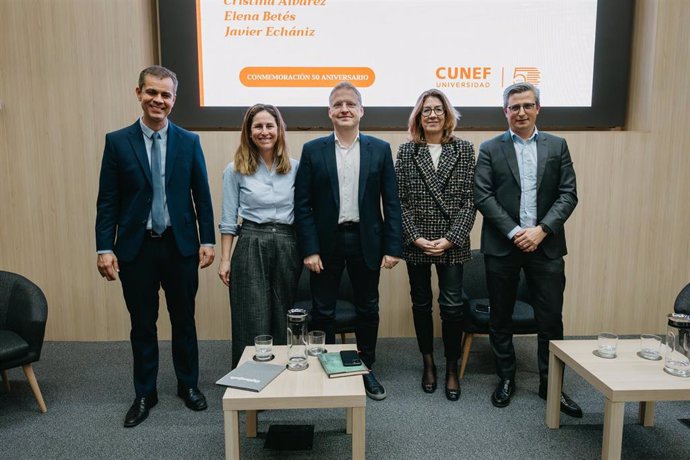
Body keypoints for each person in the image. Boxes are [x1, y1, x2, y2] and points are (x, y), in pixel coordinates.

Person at [95, 65, 215, 428]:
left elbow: (202, 196)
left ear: (173, 100)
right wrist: (104, 247)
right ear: (138, 93)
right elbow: (107, 201)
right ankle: (144, 393)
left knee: (184, 320)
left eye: (165, 95)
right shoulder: (117, 142)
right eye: (152, 92)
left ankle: (188, 385)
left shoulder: (190, 141)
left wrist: (207, 239)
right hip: (136, 249)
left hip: (180, 247)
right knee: (142, 324)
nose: (158, 100)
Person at [473, 82, 582, 417]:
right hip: (503, 247)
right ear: (505, 111)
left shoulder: (557, 146)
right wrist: (515, 231)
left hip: (546, 247)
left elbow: (568, 194)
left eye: (527, 106)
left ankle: (551, 387)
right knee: (501, 318)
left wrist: (542, 230)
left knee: (550, 320)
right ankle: (506, 378)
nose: (520, 112)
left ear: (538, 108)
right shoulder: (490, 148)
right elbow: (483, 195)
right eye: (513, 107)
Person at [294, 82, 402, 400]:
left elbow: (391, 202)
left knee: (368, 309)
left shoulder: (379, 149)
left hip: (365, 239)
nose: (344, 109)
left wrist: (393, 247)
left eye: (350, 104)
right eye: (338, 104)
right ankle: (330, 368)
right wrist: (309, 248)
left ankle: (364, 368)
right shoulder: (313, 150)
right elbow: (303, 205)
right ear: (330, 112)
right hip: (325, 244)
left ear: (361, 111)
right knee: (323, 311)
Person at [394, 89, 476, 401]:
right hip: (417, 241)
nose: (432, 114)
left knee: (452, 308)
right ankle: (428, 363)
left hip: (451, 242)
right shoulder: (406, 152)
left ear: (447, 115)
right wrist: (414, 236)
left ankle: (451, 367)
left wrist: (451, 238)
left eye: (437, 109)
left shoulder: (465, 150)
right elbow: (397, 200)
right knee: (421, 304)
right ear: (418, 117)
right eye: (426, 110)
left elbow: (471, 200)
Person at [218, 104, 301, 369]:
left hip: (288, 243)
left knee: (282, 313)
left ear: (279, 130)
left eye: (269, 126)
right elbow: (228, 219)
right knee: (251, 315)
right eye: (258, 126)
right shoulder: (234, 170)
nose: (264, 132)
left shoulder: (296, 167)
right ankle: (250, 379)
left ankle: (280, 377)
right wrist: (225, 259)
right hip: (251, 241)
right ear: (249, 131)